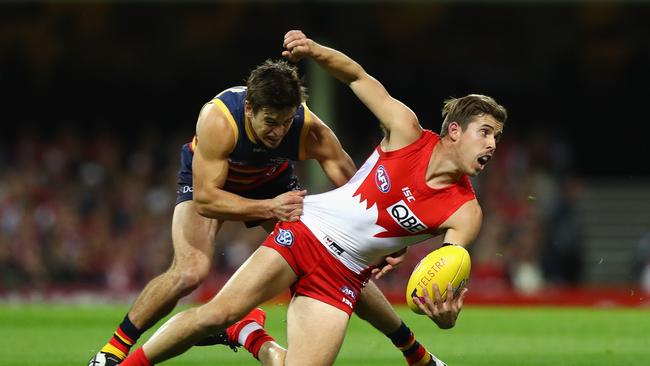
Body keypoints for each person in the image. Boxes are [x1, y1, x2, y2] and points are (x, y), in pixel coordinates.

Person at [119, 29, 505, 366]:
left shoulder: (466, 212)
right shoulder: (406, 130)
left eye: (496, 138)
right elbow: (356, 76)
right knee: (215, 314)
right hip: (307, 232)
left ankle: (252, 336)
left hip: (344, 276)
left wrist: (444, 312)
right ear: (454, 130)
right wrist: (313, 50)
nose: (491, 144)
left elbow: (446, 266)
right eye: (485, 132)